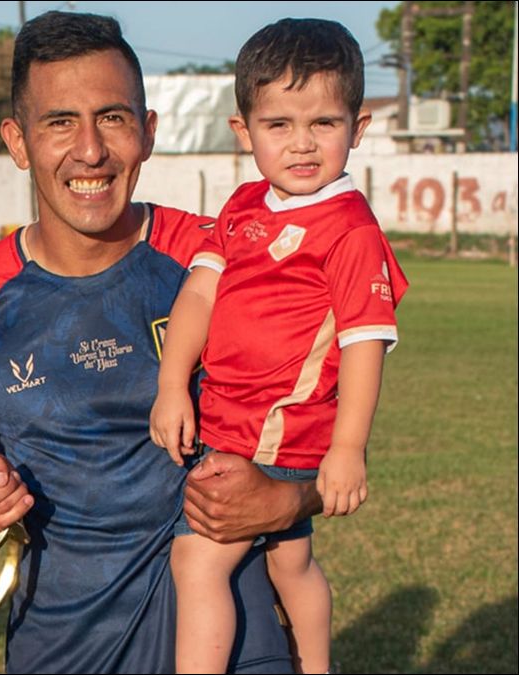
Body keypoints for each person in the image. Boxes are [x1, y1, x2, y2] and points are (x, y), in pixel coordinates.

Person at [0, 11, 311, 674]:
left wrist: (288, 498)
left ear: (148, 131)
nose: (91, 150)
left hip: (236, 638)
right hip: (64, 644)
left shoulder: (226, 260)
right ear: (18, 141)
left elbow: (331, 438)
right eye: (60, 121)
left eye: (113, 117)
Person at [150, 19, 408, 674]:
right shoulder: (242, 205)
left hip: (271, 431)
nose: (301, 144)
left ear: (359, 126)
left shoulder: (349, 229)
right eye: (279, 125)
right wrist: (173, 382)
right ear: (244, 131)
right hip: (228, 420)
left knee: (197, 557)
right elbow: (200, 296)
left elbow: (364, 343)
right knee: (290, 561)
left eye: (323, 123)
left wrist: (348, 449)